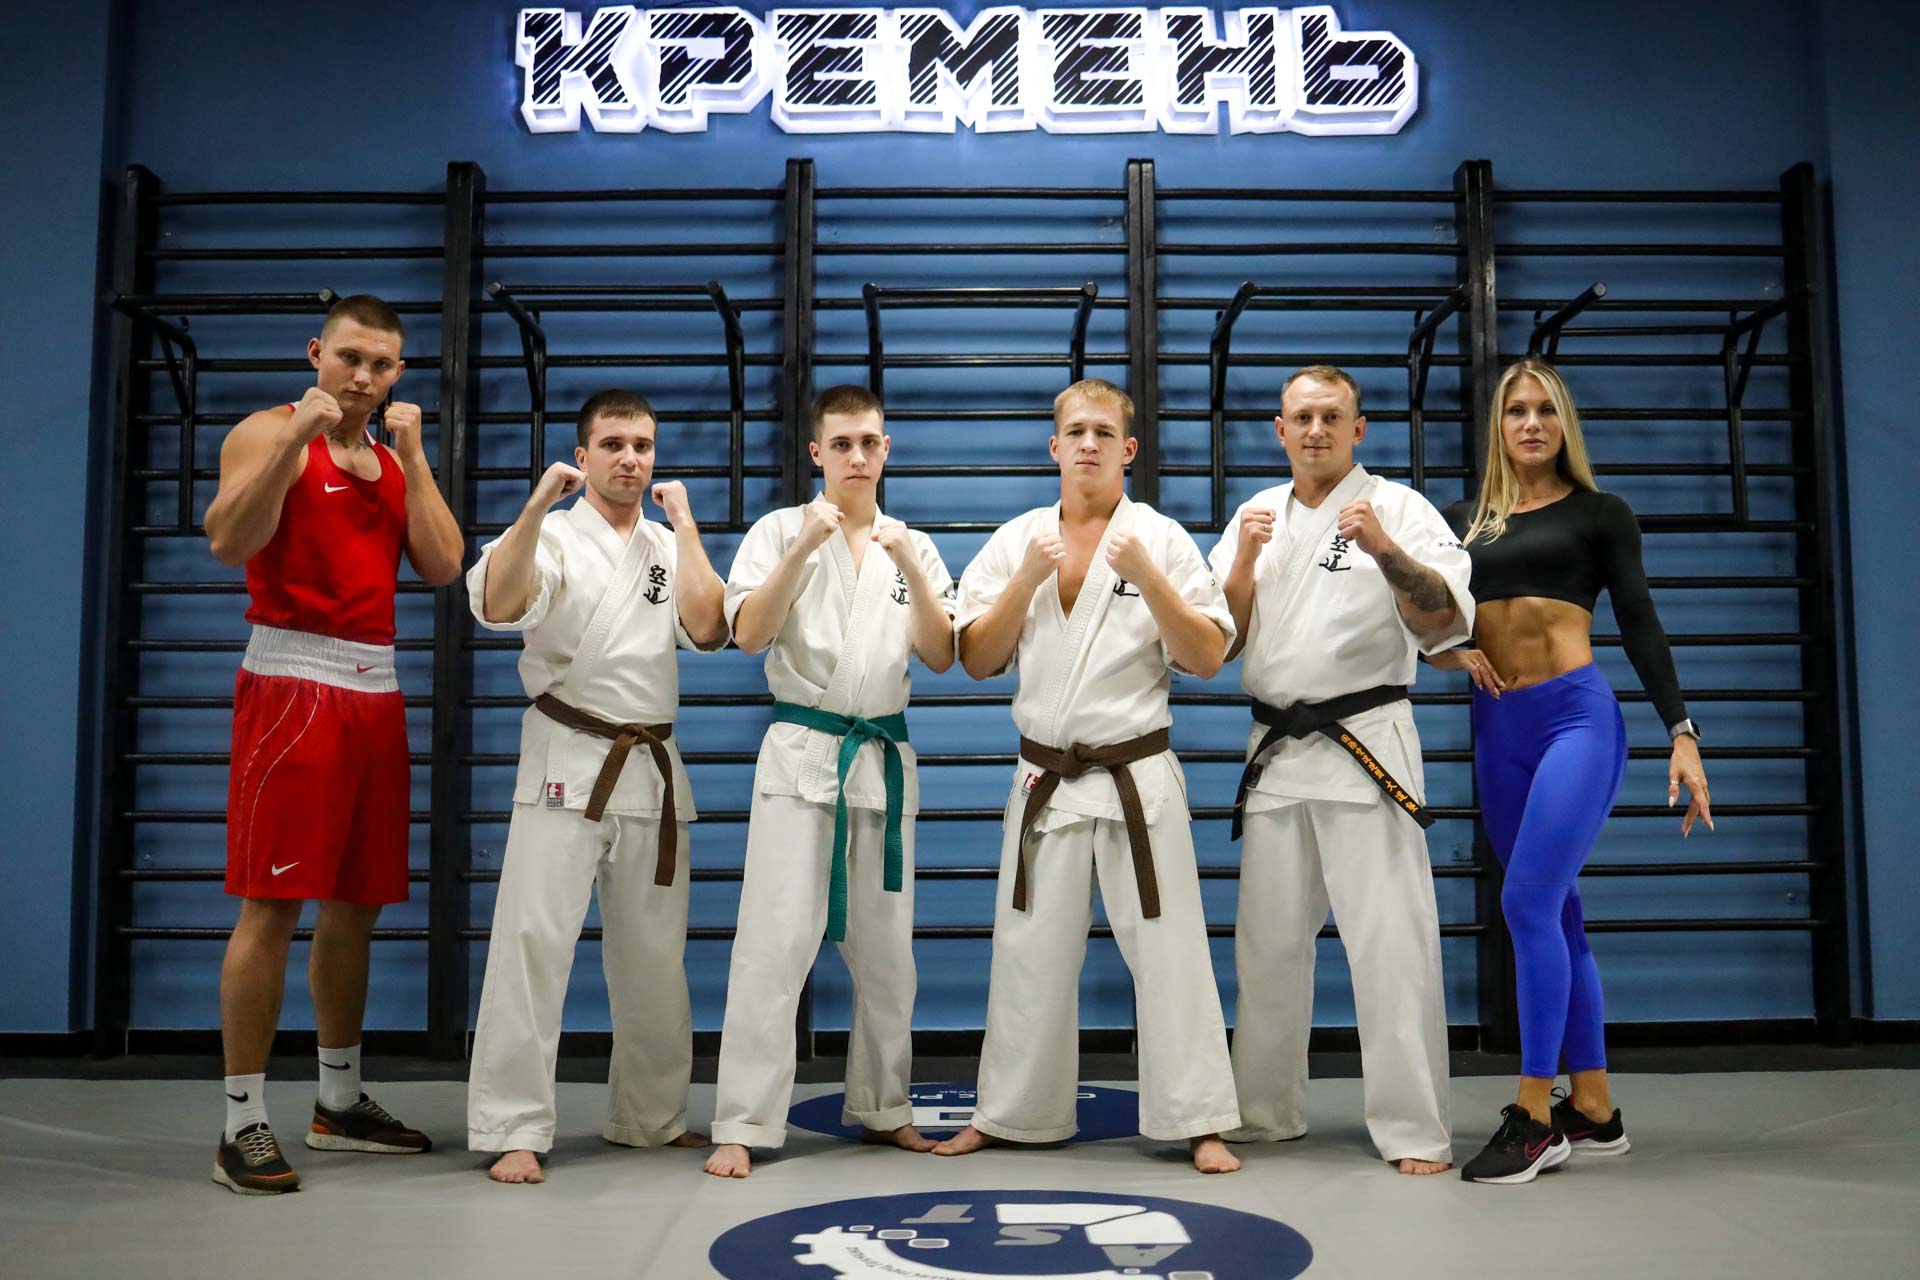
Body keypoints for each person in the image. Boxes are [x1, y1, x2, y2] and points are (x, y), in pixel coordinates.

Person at [933, 378, 1242, 1175]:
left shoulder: (1160, 538)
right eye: (1076, 431)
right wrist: (1025, 584)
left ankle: (1199, 1119)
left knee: (1171, 952)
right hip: (1046, 780)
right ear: (1055, 446)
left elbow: (1209, 656)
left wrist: (1150, 575)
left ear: (1128, 449)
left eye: (1104, 432)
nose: (1089, 444)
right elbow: (975, 659)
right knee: (1028, 951)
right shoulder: (1019, 541)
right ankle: (1012, 1114)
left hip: (1137, 776)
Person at [204, 294, 464, 1194]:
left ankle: (339, 1102)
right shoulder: (266, 431)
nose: (363, 376)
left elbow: (443, 566)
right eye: (350, 357)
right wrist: (292, 440)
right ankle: (241, 1123)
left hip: (374, 691)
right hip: (291, 686)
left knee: (355, 906)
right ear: (317, 352)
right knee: (273, 906)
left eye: (381, 364)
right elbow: (228, 540)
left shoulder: (390, 462)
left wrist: (416, 458)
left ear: (399, 374)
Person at [1435, 359, 1710, 1185]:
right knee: (1558, 914)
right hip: (1498, 730)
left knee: (1526, 902)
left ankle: (1533, 1116)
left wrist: (1682, 731)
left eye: (1546, 411)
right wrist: (1440, 645)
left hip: (1575, 720)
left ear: (1565, 426)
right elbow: (1425, 615)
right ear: (1498, 425)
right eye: (1516, 410)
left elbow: (1640, 618)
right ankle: (1593, 1106)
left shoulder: (1600, 514)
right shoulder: (1463, 522)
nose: (1531, 424)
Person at [1209, 365, 1471, 1176]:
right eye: (1301, 417)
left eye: (1332, 416)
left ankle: (1414, 1128)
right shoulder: (1255, 515)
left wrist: (1385, 549)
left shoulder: (1400, 509)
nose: (1315, 429)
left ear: (1359, 429)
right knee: (1267, 950)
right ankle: (1264, 1111)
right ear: (1280, 430)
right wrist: (1242, 562)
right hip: (1277, 750)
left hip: (1366, 746)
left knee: (1391, 947)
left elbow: (1444, 617)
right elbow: (1218, 641)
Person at [464, 389, 728, 1184]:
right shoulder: (548, 536)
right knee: (533, 943)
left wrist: (687, 528)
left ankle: (651, 1115)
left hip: (650, 763)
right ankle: (513, 1125)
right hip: (567, 755)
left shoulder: (665, 542)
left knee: (654, 953)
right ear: (582, 457)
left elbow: (709, 628)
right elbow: (499, 603)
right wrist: (534, 509)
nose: (630, 459)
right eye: (613, 445)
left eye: (642, 445)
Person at [704, 386, 956, 1179]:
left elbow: (941, 654)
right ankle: (744, 1120)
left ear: (887, 450)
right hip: (802, 754)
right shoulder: (781, 531)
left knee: (888, 958)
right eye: (841, 443)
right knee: (773, 947)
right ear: (816, 452)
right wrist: (802, 550)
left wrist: (909, 564)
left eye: (869, 442)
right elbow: (748, 635)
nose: (856, 456)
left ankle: (885, 1107)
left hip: (879, 759)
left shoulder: (912, 544)